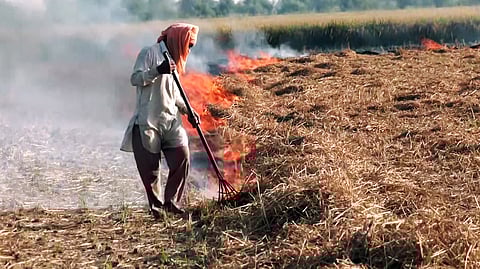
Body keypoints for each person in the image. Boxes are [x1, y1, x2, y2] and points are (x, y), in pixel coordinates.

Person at [120, 23, 200, 218]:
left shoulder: (175, 60)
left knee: (182, 158)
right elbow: (135, 78)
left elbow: (175, 94)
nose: (189, 50)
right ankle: (156, 208)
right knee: (151, 171)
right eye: (188, 45)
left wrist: (189, 111)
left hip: (171, 120)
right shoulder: (149, 53)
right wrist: (157, 70)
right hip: (148, 121)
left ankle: (172, 203)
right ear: (177, 40)